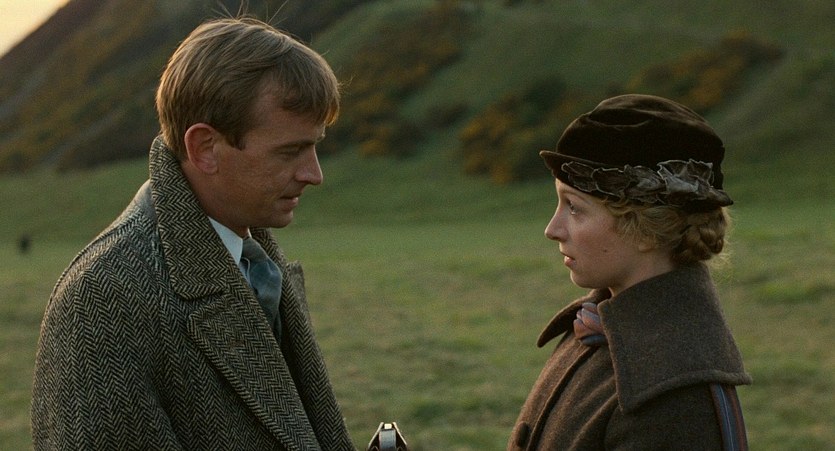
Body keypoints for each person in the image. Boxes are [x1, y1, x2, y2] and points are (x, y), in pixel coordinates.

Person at [32, 17, 354, 450]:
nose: (314, 174)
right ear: (205, 148)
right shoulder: (103, 300)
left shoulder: (251, 256)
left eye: (314, 146)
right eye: (290, 151)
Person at [508, 94, 751, 450]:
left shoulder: (673, 400)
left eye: (574, 207)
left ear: (646, 229)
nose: (552, 229)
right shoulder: (592, 329)